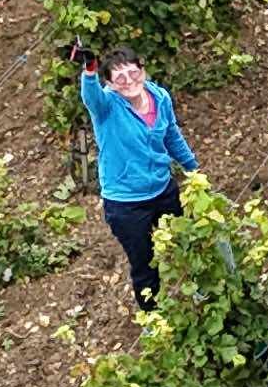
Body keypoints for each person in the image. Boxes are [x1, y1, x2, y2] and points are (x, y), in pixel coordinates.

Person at [78, 45, 202, 310]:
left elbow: (171, 136)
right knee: (144, 263)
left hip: (163, 188)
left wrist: (193, 170)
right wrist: (89, 69)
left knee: (186, 242)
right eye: (120, 78)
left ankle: (197, 297)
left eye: (133, 73)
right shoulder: (107, 107)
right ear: (110, 84)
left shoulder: (160, 98)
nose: (129, 81)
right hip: (126, 203)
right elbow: (91, 97)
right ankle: (153, 319)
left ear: (142, 71)